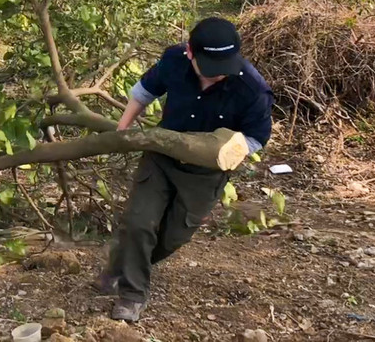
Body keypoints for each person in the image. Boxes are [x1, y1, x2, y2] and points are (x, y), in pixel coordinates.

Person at [94, 17, 274, 322]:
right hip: (161, 157)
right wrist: (122, 131)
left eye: (224, 65)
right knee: (139, 223)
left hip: (204, 174)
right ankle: (132, 295)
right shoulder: (174, 61)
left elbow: (257, 137)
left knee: (171, 237)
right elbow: (143, 92)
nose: (218, 74)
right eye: (210, 64)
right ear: (191, 52)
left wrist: (229, 151)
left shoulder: (252, 88)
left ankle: (120, 266)